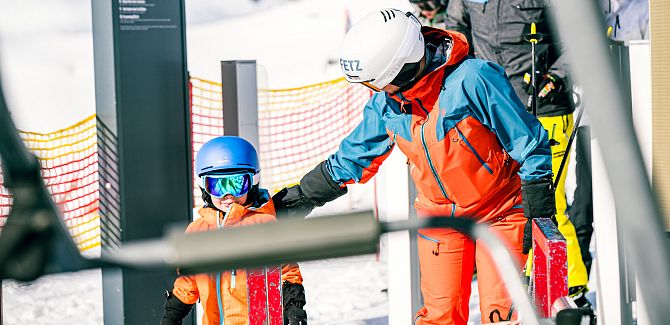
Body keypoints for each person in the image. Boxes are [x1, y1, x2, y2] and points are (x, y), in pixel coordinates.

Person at [274, 8, 554, 324]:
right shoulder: (389, 104)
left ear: (402, 69)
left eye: (377, 83)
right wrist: (298, 198)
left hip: (499, 211)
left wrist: (538, 208)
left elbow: (529, 143)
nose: (374, 93)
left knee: (503, 315)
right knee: (439, 316)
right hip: (439, 219)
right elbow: (353, 157)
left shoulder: (473, 79)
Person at [444, 0, 591, 306]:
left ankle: (570, 288)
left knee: (547, 201)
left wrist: (556, 76)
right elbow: (456, 32)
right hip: (493, 111)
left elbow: (581, 37)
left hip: (545, 109)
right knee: (505, 205)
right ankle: (518, 280)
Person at [160, 136, 307, 325]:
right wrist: (172, 315)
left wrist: (294, 308)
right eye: (217, 185)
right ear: (204, 188)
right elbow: (189, 279)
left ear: (253, 182)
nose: (227, 195)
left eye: (237, 184)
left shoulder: (264, 224)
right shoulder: (198, 231)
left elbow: (286, 272)